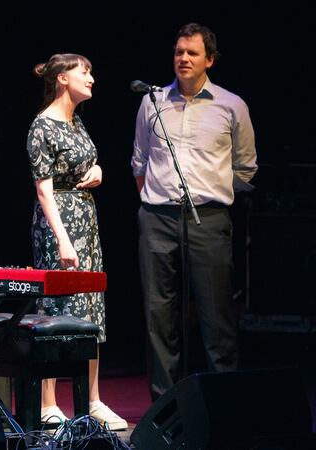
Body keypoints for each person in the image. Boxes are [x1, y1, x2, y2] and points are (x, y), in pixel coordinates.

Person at [132, 23, 257, 400]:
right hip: (157, 219)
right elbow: (139, 163)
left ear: (210, 60)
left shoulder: (231, 105)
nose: (183, 59)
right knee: (159, 319)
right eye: (178, 52)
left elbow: (245, 167)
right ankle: (165, 410)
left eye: (192, 53)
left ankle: (225, 405)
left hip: (210, 219)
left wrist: (212, 194)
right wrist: (155, 201)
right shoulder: (151, 101)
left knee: (216, 318)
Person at [27, 53, 127, 430]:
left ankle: (93, 399)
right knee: (57, 306)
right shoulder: (43, 126)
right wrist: (63, 241)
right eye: (84, 71)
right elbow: (44, 192)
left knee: (91, 307)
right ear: (63, 79)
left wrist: (98, 170)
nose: (92, 78)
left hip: (87, 217)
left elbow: (87, 163)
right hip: (59, 224)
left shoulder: (77, 121)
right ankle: (48, 401)